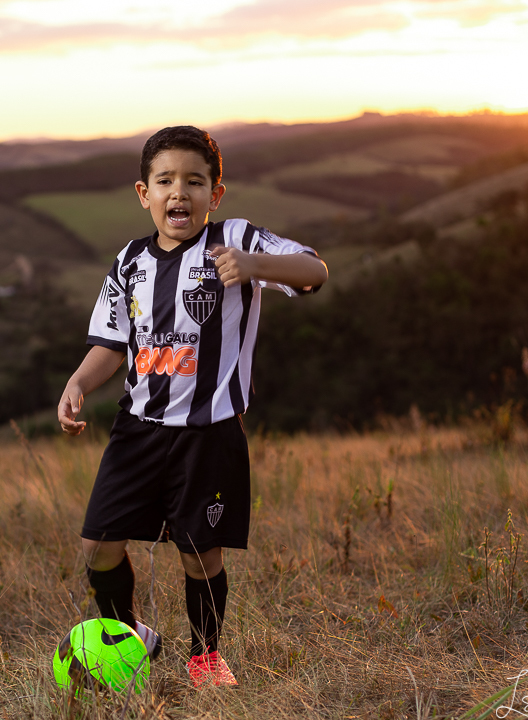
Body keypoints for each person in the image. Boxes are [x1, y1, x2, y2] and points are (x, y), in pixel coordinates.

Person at [57, 126, 328, 688]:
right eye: (165, 181)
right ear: (144, 193)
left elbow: (314, 272)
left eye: (194, 181)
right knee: (98, 545)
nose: (179, 192)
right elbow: (109, 343)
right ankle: (130, 635)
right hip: (138, 427)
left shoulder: (235, 238)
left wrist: (254, 267)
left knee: (199, 554)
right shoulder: (130, 260)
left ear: (215, 193)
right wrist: (78, 383)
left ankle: (207, 657)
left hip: (209, 432)